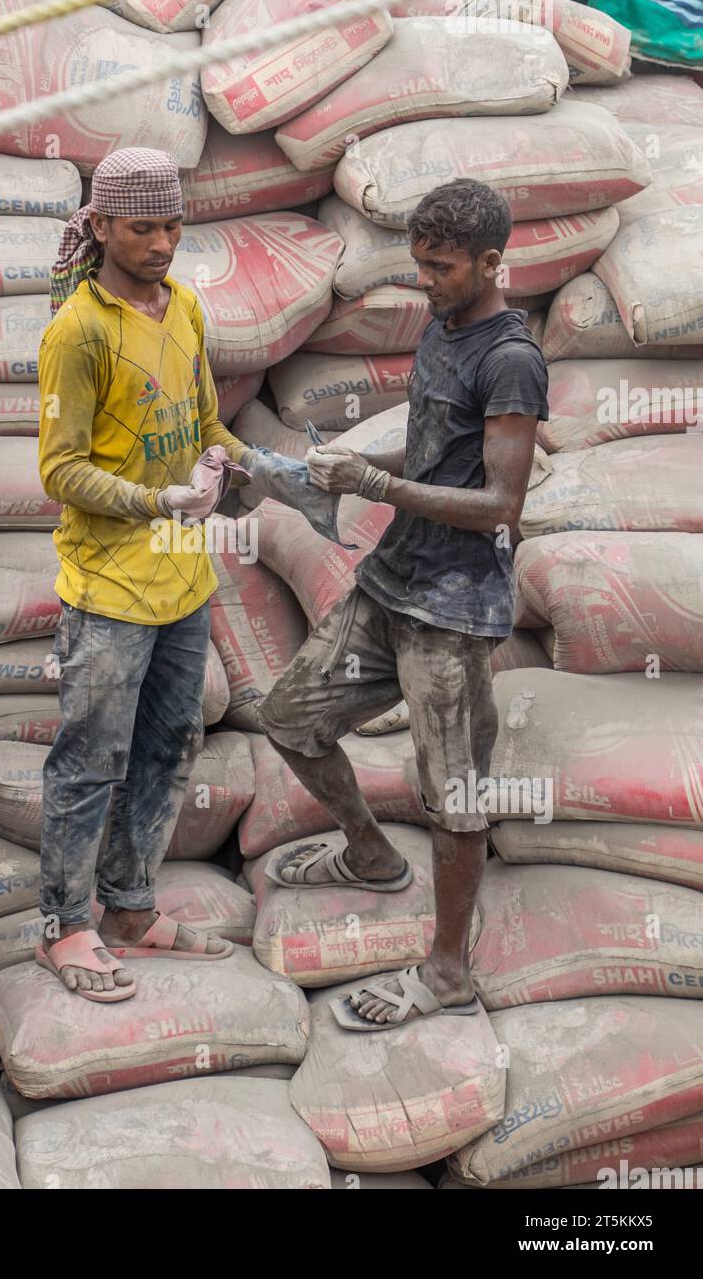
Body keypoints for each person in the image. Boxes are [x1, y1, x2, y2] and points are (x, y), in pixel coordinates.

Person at [255, 178, 550, 1031]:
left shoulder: (511, 360)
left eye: (444, 266)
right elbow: (431, 448)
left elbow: (501, 503)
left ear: (492, 262)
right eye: (420, 263)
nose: (427, 279)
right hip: (390, 584)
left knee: (453, 797)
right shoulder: (442, 326)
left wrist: (377, 482)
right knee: (289, 718)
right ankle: (371, 853)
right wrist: (346, 468)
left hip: (451, 615)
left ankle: (449, 971)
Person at [35, 147, 257, 1003]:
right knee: (91, 758)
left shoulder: (185, 308)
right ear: (99, 229)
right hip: (109, 588)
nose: (162, 242)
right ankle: (64, 926)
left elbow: (206, 424)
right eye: (142, 227)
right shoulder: (78, 331)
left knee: (169, 744)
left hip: (183, 581)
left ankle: (128, 909)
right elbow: (60, 470)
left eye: (172, 224)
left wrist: (258, 466)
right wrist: (155, 500)